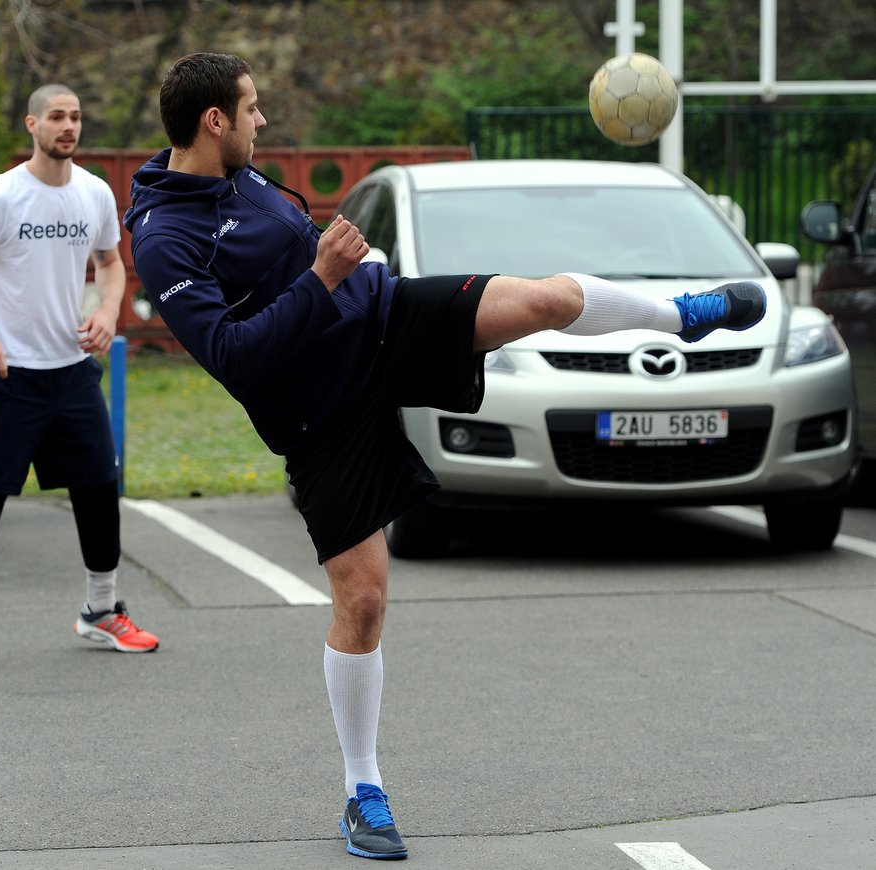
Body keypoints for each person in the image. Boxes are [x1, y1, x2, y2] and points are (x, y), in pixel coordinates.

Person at [124, 53, 765, 860]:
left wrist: (342, 272)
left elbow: (299, 263)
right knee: (363, 602)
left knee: (543, 300)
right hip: (321, 412)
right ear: (213, 121)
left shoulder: (245, 180)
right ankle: (363, 790)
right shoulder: (164, 237)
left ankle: (682, 313)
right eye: (251, 109)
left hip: (381, 317)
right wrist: (322, 274)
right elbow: (234, 356)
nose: (262, 122)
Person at [0, 83, 158, 673]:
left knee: (100, 492)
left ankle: (100, 612)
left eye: (76, 116)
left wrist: (107, 312)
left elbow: (109, 265)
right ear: (32, 124)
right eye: (57, 116)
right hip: (12, 376)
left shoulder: (96, 193)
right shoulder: (0, 197)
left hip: (73, 372)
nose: (68, 126)